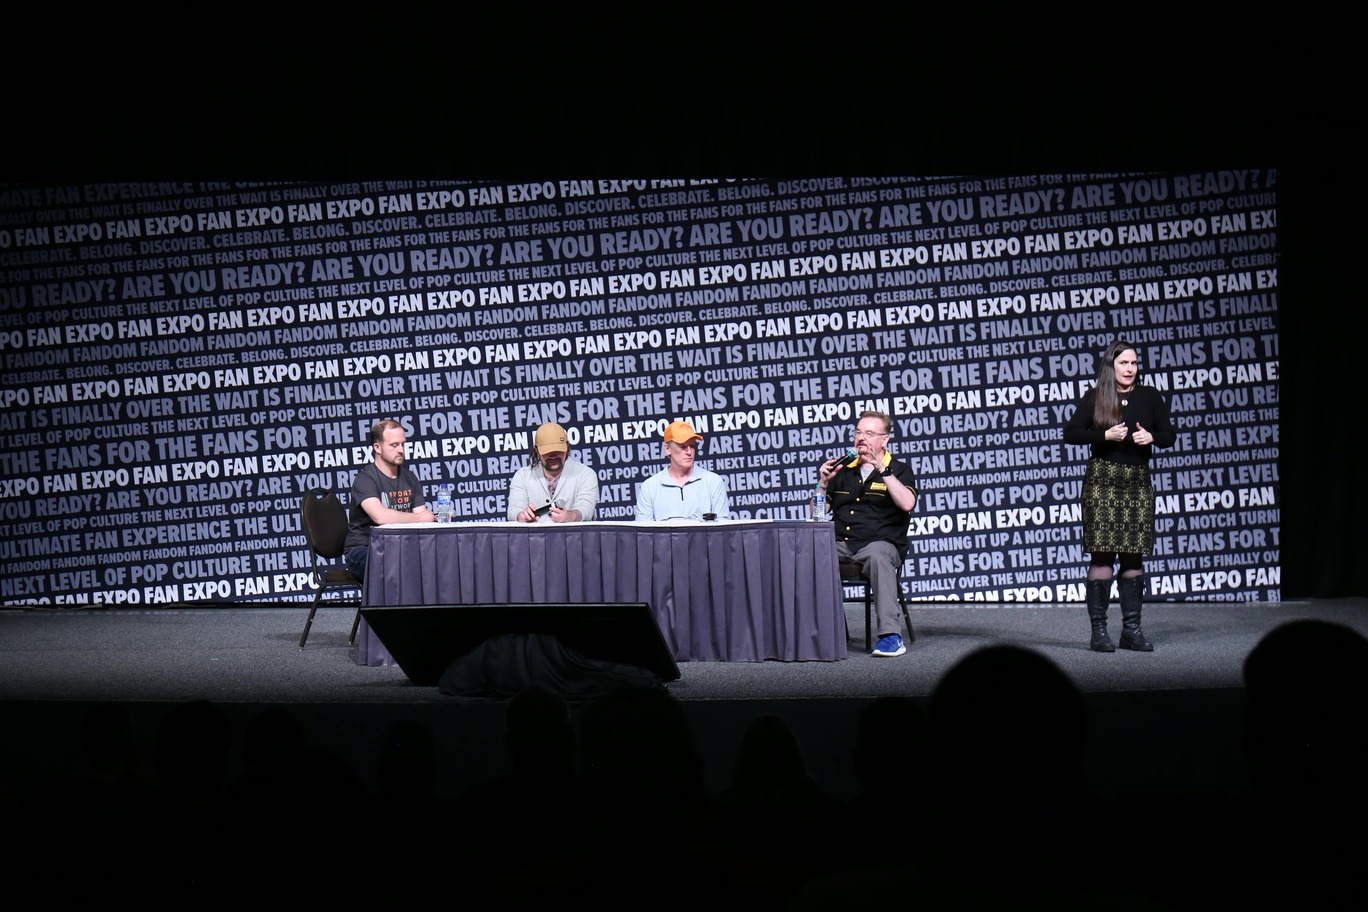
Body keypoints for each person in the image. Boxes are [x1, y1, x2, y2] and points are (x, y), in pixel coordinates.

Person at [1062, 339, 1176, 652]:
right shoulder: (1096, 396)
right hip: (1102, 481)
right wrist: (1104, 435)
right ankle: (1099, 633)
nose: (1130, 369)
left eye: (1134, 363)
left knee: (1133, 555)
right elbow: (1070, 433)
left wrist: (1151, 436)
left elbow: (1168, 436)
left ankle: (1131, 631)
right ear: (1111, 366)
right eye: (1124, 363)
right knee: (1102, 555)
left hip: (1136, 482)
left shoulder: (1150, 396)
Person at [817, 409, 918, 657]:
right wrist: (822, 484)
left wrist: (882, 470)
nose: (861, 438)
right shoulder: (843, 470)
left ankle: (890, 637)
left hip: (880, 544)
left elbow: (907, 504)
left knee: (877, 555)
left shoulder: (899, 470)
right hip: (842, 544)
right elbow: (818, 515)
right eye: (858, 432)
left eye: (869, 433)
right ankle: (821, 631)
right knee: (808, 552)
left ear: (884, 440)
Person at [343, 418, 435, 580]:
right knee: (395, 563)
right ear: (377, 448)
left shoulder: (410, 478)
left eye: (403, 444)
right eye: (394, 445)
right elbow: (381, 517)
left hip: (400, 547)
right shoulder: (365, 479)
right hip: (364, 549)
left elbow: (423, 523)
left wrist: (424, 520)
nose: (401, 450)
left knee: (436, 557)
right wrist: (420, 517)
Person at [634, 420, 730, 521]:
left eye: (692, 446)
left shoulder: (713, 482)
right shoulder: (649, 487)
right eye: (683, 446)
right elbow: (644, 534)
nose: (689, 452)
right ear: (667, 449)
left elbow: (721, 531)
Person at [507, 421, 600, 523]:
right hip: (535, 537)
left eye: (558, 450)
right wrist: (521, 516)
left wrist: (570, 517)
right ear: (537, 451)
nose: (553, 456)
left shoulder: (585, 474)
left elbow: (586, 508)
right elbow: (513, 510)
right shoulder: (522, 476)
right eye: (547, 452)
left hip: (574, 537)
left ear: (567, 447)